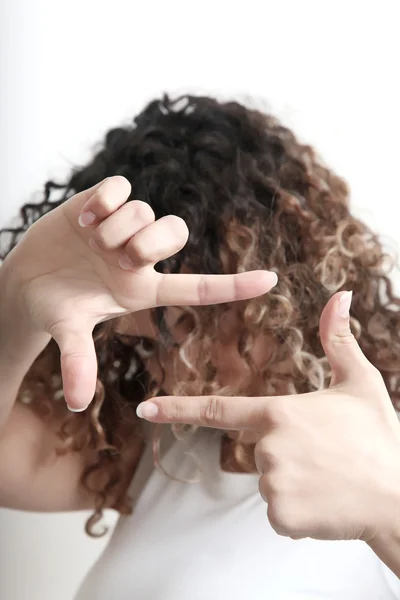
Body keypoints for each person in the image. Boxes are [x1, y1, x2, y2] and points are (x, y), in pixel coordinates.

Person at [0, 94, 399, 599]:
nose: (172, 373)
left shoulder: (389, 449)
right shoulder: (166, 455)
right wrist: (14, 300)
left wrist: (389, 512)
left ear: (285, 283)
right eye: (144, 347)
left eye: (188, 325)